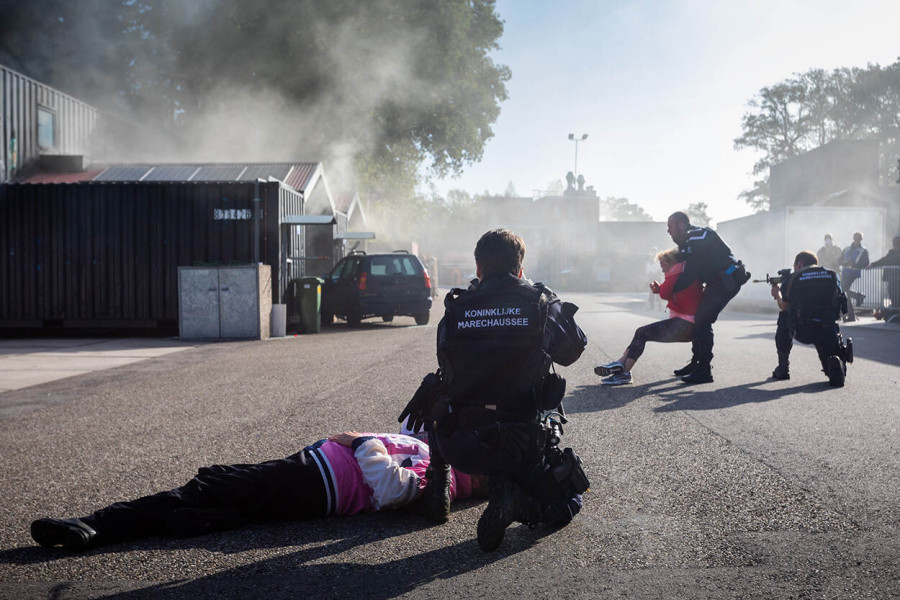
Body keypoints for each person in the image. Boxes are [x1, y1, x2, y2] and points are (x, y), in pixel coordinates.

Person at [401, 228, 588, 552]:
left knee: (438, 393)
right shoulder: (541, 303)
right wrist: (542, 299)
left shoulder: (456, 309)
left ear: (477, 267)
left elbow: (447, 367)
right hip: (521, 446)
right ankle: (517, 500)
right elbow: (573, 350)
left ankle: (438, 493)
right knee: (569, 501)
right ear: (520, 267)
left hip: (461, 446)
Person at [30, 431, 480, 552]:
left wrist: (361, 442)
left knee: (210, 484)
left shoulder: (443, 472)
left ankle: (92, 527)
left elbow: (390, 489)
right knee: (222, 488)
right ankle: (218, 517)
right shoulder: (432, 448)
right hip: (312, 474)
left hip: (318, 482)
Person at [595, 248, 702, 385]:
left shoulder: (676, 272)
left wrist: (660, 289)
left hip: (685, 325)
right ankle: (621, 363)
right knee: (642, 333)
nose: (662, 269)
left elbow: (665, 293)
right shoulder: (683, 273)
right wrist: (660, 289)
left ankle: (624, 372)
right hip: (688, 325)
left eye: (663, 265)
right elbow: (673, 293)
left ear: (672, 262)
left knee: (642, 332)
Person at [665, 211, 750, 384]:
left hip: (726, 278)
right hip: (717, 280)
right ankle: (697, 363)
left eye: (670, 226)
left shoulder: (697, 236)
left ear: (681, 225)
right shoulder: (687, 242)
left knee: (703, 319)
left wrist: (670, 291)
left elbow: (690, 272)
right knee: (698, 317)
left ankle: (704, 370)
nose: (668, 231)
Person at [770, 251, 850, 387]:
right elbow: (841, 302)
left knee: (784, 317)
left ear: (799, 264)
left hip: (803, 329)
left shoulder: (793, 278)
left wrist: (777, 294)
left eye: (795, 266)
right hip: (827, 328)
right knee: (830, 357)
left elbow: (784, 306)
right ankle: (835, 364)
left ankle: (783, 368)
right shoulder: (832, 275)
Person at [866, 235, 900, 314]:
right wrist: (873, 265)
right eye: (894, 243)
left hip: (898, 279)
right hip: (892, 279)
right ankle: (895, 313)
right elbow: (884, 260)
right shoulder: (891, 252)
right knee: (892, 294)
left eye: (896, 243)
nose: (895, 244)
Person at [840, 232, 870, 321]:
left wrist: (855, 265)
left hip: (854, 273)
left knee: (844, 291)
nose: (857, 240)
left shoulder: (863, 250)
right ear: (853, 239)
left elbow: (865, 263)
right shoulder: (846, 249)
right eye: (856, 239)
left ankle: (851, 315)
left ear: (861, 240)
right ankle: (858, 297)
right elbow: (839, 260)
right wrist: (845, 263)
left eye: (859, 239)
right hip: (845, 272)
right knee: (843, 291)